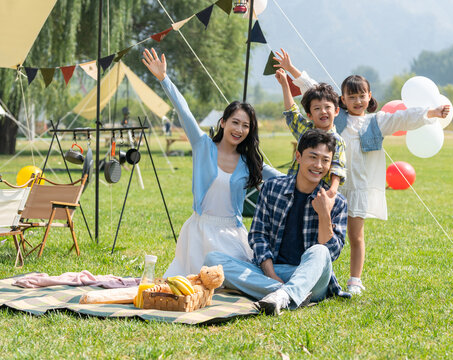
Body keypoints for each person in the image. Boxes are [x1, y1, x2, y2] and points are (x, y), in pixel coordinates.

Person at [274, 49, 450, 295]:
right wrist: (292, 70)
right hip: (329, 186)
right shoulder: (337, 118)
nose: (357, 101)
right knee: (319, 232)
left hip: (358, 188)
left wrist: (430, 113)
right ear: (341, 101)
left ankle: (354, 279)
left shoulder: (377, 122)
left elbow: (404, 118)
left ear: (370, 97)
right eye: (351, 96)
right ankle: (317, 274)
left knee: (356, 236)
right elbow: (312, 88)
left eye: (362, 96)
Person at [142, 48, 282, 277]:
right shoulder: (202, 145)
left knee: (235, 283)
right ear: (223, 122)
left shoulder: (250, 162)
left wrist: (319, 177)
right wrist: (164, 79)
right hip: (199, 233)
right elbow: (184, 111)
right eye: (235, 122)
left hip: (232, 233)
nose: (239, 129)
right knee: (195, 285)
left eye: (246, 126)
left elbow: (283, 179)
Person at [205, 129, 350, 316]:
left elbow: (330, 254)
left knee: (320, 251)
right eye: (313, 157)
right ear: (298, 156)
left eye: (325, 160)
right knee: (213, 260)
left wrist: (324, 213)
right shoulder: (272, 188)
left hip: (313, 278)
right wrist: (271, 274)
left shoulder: (337, 201)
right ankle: (287, 294)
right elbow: (258, 235)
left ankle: (284, 293)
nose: (318, 165)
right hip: (272, 271)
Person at [274, 68, 346, 198]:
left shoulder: (337, 140)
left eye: (327, 107)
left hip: (319, 193)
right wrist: (285, 84)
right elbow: (292, 113)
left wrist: (332, 191)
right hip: (294, 190)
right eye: (317, 108)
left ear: (336, 111)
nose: (323, 111)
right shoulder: (305, 130)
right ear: (310, 115)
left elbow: (337, 167)